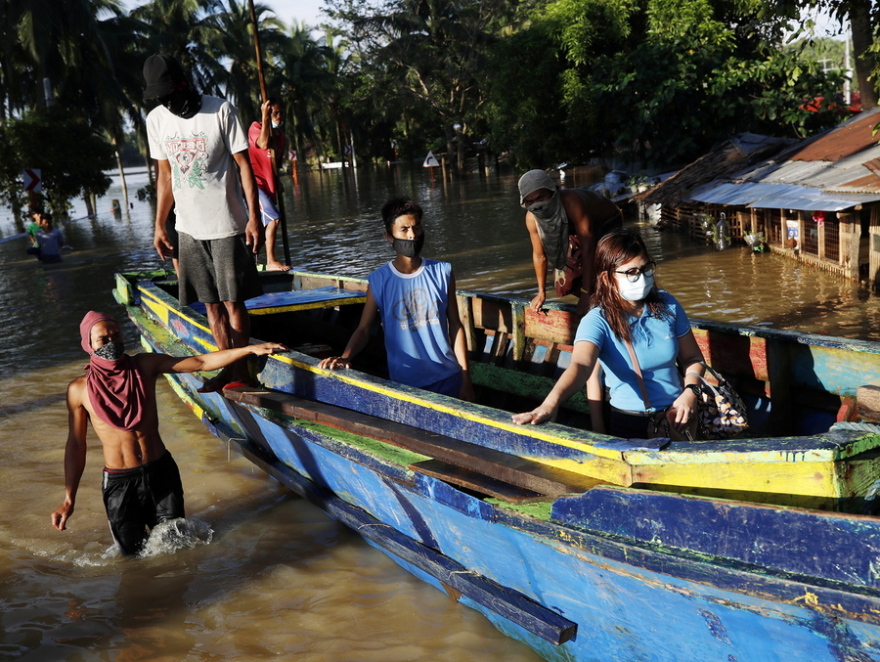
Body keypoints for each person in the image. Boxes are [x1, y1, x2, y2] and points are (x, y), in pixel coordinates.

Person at [51, 311, 287, 556]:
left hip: (161, 472)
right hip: (120, 484)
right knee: (131, 557)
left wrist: (247, 350)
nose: (113, 344)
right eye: (103, 340)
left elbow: (200, 363)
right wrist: (69, 499)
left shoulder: (145, 365)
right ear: (88, 345)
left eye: (117, 336)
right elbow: (76, 445)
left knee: (177, 549)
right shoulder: (79, 389)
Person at [144, 53, 264, 392]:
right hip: (187, 228)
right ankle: (227, 367)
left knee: (233, 302)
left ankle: (240, 369)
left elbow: (244, 166)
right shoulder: (157, 120)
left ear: (182, 83)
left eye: (168, 93)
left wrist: (254, 218)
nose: (165, 102)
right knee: (210, 304)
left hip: (226, 224)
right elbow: (165, 176)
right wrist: (159, 225)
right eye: (159, 97)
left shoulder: (220, 110)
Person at [512, 229, 705, 440]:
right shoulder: (597, 320)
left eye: (646, 268)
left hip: (678, 416)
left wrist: (690, 393)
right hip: (630, 423)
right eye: (631, 272)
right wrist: (550, 404)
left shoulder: (668, 305)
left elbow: (693, 358)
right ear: (607, 277)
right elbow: (581, 366)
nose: (641, 277)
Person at [319, 198, 474, 400]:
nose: (412, 235)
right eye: (404, 229)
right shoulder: (379, 280)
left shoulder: (442, 271)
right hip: (406, 385)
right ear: (389, 236)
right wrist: (345, 357)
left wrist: (465, 379)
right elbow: (364, 329)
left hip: (448, 378)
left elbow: (456, 325)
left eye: (416, 227)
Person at [518, 169, 623, 317]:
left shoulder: (572, 202)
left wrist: (586, 293)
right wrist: (541, 293)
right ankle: (600, 302)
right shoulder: (532, 218)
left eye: (540, 197)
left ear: (553, 191)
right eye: (530, 201)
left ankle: (613, 303)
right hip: (573, 231)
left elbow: (588, 247)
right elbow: (539, 255)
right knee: (566, 281)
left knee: (607, 268)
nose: (537, 205)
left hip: (606, 222)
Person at [248, 98, 290, 271]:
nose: (278, 116)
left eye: (280, 113)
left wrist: (278, 181)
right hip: (254, 185)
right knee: (274, 219)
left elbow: (276, 164)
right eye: (275, 113)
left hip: (269, 185)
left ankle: (253, 262)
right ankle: (271, 261)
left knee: (262, 225)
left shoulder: (281, 137)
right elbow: (263, 144)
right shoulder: (256, 127)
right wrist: (265, 118)